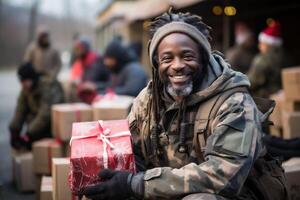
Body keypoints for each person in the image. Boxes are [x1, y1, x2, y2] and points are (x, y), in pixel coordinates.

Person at [81, 10, 287, 200]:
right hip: (169, 190)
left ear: (203, 58)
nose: (177, 66)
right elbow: (130, 153)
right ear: (156, 64)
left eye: (187, 56)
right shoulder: (147, 100)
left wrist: (136, 183)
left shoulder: (234, 103)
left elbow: (224, 179)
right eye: (167, 59)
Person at [9, 62, 64, 150]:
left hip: (52, 124)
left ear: (31, 78)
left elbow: (45, 114)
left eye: (24, 81)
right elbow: (20, 109)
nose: (22, 84)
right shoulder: (26, 88)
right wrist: (14, 130)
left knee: (33, 144)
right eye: (21, 81)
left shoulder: (48, 86)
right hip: (39, 124)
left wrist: (29, 134)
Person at [247, 21, 289, 98]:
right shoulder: (287, 56)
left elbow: (251, 82)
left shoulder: (263, 59)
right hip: (285, 97)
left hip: (266, 101)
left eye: (261, 43)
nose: (259, 46)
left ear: (268, 44)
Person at [71, 36, 110, 103]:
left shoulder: (96, 61)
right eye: (76, 49)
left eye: (79, 48)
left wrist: (95, 86)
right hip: (88, 101)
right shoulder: (83, 62)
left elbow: (109, 83)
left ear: (85, 48)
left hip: (100, 100)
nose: (77, 51)